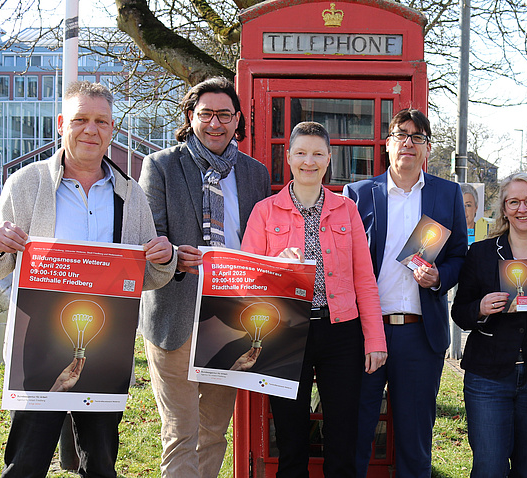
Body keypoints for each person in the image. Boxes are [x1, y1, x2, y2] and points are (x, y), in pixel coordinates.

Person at [0, 80, 176, 478]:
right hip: (40, 347)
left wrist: (164, 258)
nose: (91, 129)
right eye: (81, 119)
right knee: (25, 464)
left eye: (101, 121)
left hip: (106, 348)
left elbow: (148, 275)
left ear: (112, 129)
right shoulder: (26, 184)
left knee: (100, 465)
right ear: (62, 124)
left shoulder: (131, 195)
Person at [138, 76, 271, 478]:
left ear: (237, 121)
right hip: (176, 314)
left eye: (225, 115)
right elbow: (148, 239)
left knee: (214, 432)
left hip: (230, 318)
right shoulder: (161, 166)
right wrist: (176, 257)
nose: (216, 123)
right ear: (190, 116)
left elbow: (260, 240)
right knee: (181, 430)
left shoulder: (255, 173)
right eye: (206, 114)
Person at [241, 121, 387, 477]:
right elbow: (245, 278)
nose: (310, 161)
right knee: (291, 437)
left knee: (342, 434)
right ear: (288, 157)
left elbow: (364, 279)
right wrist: (276, 268)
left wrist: (375, 338)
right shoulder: (265, 211)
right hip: (286, 331)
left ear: (329, 159)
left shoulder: (345, 210)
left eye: (318, 154)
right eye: (302, 153)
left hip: (341, 332)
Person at [343, 108, 467, 478]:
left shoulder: (447, 194)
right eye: (401, 135)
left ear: (427, 147)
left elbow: (460, 253)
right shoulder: (359, 194)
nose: (408, 143)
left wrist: (439, 277)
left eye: (418, 137)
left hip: (419, 331)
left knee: (415, 440)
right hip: (367, 330)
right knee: (357, 431)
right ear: (387, 144)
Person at [451, 172, 527, 477]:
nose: (522, 209)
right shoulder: (482, 253)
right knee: (488, 467)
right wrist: (480, 308)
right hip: (488, 376)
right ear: (503, 209)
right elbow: (460, 312)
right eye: (513, 202)